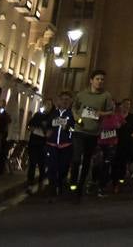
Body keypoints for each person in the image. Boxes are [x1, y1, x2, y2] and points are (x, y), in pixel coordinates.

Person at [70, 70, 115, 199]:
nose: (100, 81)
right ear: (91, 80)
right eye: (97, 79)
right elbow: (74, 108)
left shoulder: (106, 96)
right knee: (76, 158)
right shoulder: (82, 94)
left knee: (87, 161)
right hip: (79, 131)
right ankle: (72, 183)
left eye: (102, 79)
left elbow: (111, 111)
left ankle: (80, 186)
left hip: (93, 133)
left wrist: (101, 113)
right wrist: (77, 117)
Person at [43, 92, 77, 200]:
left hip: (66, 145)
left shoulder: (72, 114)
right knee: (52, 166)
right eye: (63, 99)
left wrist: (68, 128)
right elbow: (46, 124)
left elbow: (76, 129)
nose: (65, 101)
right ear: (59, 101)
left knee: (63, 167)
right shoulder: (53, 113)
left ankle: (60, 183)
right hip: (52, 144)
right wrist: (46, 131)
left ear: (70, 101)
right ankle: (52, 186)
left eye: (67, 99)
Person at [25, 100, 52, 192]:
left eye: (49, 105)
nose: (47, 106)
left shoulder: (51, 118)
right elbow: (30, 126)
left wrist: (45, 131)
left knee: (42, 164)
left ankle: (41, 182)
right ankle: (30, 184)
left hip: (44, 144)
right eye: (46, 104)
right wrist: (34, 129)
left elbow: (50, 131)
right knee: (32, 163)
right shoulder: (37, 115)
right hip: (34, 142)